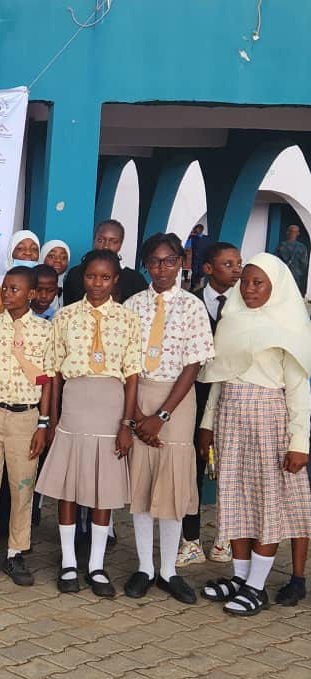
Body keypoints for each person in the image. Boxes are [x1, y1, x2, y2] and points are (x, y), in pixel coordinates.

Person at [198, 253, 311, 616]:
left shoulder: (289, 325)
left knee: (267, 503)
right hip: (231, 419)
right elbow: (220, 376)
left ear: (275, 286)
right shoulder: (232, 319)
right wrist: (207, 424)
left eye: (258, 283)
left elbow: (299, 390)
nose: (248, 289)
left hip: (269, 421)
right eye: (245, 281)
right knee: (234, 499)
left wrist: (299, 442)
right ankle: (241, 577)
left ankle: (257, 586)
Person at [36, 249, 142, 597]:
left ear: (116, 280)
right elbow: (53, 372)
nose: (97, 283)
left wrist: (126, 424)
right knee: (69, 486)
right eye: (91, 276)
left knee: (103, 491)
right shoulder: (65, 317)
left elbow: (132, 376)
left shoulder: (128, 320)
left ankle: (96, 565)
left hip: (110, 409)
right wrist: (51, 419)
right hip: (75, 405)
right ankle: (68, 561)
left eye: (105, 277)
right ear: (83, 278)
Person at [123, 234, 214, 604]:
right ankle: (145, 567)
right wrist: (136, 415)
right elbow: (125, 363)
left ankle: (169, 571)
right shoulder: (132, 305)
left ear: (181, 262)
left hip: (176, 401)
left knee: (172, 484)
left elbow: (193, 366)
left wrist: (160, 416)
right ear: (145, 264)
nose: (162, 268)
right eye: (155, 261)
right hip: (139, 394)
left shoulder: (193, 307)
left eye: (170, 261)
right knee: (143, 481)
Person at [0, 266, 51, 586]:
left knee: (22, 487)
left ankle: (16, 552)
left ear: (31, 294)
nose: (7, 293)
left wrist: (43, 423)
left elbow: (47, 380)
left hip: (26, 417)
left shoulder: (45, 331)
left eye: (15, 289)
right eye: (5, 288)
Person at [179, 241, 241, 567]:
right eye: (228, 264)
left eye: (238, 263)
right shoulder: (190, 304)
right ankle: (190, 540)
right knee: (192, 467)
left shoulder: (245, 306)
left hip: (231, 394)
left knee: (230, 468)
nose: (236, 270)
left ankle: (224, 538)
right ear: (208, 268)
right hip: (195, 392)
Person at [62, 220, 148, 305]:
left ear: (121, 244)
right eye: (100, 240)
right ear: (94, 240)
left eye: (113, 242)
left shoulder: (135, 279)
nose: (106, 246)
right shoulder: (75, 274)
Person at [270, 224, 309, 296]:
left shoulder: (282, 245)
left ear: (287, 232)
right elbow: (304, 264)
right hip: (296, 275)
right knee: (293, 293)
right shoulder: (302, 247)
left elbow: (275, 260)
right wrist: (299, 272)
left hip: (284, 272)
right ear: (298, 233)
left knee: (282, 291)